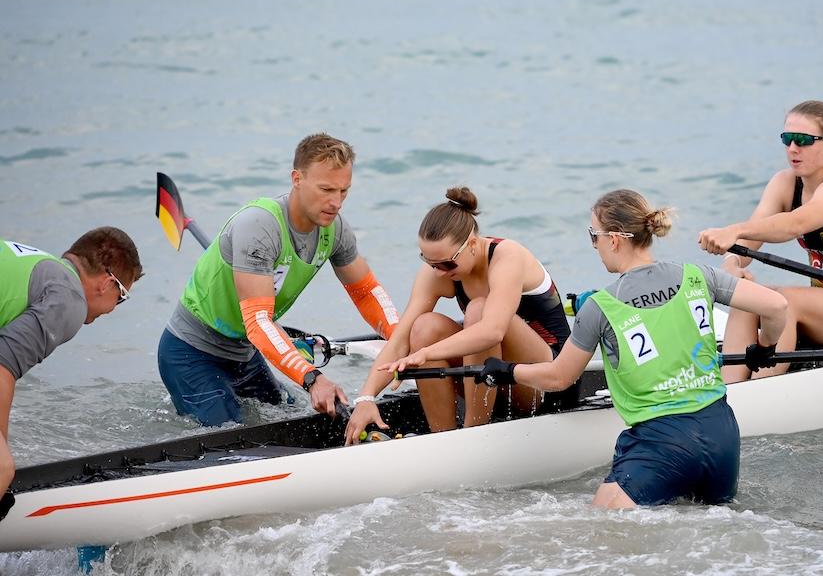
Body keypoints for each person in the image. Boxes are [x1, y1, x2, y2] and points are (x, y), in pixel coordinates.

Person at [468, 189, 787, 508]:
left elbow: (559, 377)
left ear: (615, 240)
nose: (594, 245)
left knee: (600, 524)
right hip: (722, 436)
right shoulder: (699, 276)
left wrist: (507, 371)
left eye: (594, 236)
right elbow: (776, 306)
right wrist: (765, 347)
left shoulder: (600, 307)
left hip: (663, 442)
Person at [157, 133, 400, 426]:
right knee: (232, 435)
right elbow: (258, 321)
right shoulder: (259, 226)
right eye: (326, 189)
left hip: (244, 353)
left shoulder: (335, 230)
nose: (336, 202)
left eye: (343, 191)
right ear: (297, 179)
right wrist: (312, 378)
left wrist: (403, 341)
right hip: (191, 353)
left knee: (290, 418)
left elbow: (366, 292)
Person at [343, 187, 570, 444]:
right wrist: (366, 397)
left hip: (546, 380)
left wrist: (426, 353)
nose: (439, 272)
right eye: (430, 263)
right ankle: (444, 439)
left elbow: (492, 331)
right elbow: (399, 342)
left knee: (479, 311)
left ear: (472, 244)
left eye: (446, 264)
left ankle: (473, 432)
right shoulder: (440, 270)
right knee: (423, 327)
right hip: (492, 378)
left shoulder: (508, 257)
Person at [697, 100, 823, 383]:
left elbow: (795, 224)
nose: (792, 148)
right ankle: (731, 387)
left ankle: (763, 389)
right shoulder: (784, 183)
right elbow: (750, 241)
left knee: (785, 301)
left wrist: (734, 229)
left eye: (802, 140)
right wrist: (732, 263)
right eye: (787, 139)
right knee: (748, 296)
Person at [1, 228, 142, 519]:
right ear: (107, 283)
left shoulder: (39, 266)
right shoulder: (69, 300)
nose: (114, 309)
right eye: (122, 297)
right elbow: (2, 368)